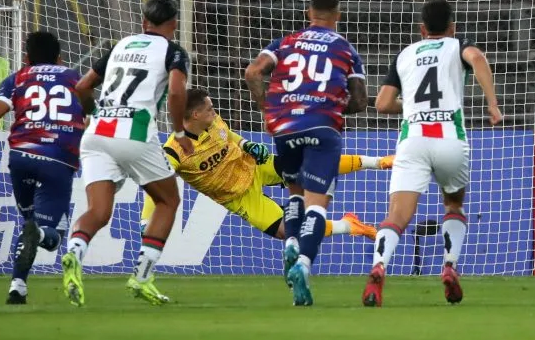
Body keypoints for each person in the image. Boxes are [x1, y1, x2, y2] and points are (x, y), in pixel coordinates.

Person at [362, 0, 502, 307]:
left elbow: (382, 104)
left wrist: (411, 108)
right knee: (453, 204)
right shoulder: (456, 46)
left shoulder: (405, 54)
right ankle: (450, 265)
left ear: (422, 29)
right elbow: (477, 57)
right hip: (450, 139)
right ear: (452, 27)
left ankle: (379, 266)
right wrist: (491, 103)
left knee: (397, 215)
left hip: (413, 140)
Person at [63, 0, 192, 307]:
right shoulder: (173, 52)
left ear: (143, 21)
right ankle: (142, 276)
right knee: (168, 200)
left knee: (98, 211)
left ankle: (74, 253)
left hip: (97, 133)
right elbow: (176, 91)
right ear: (174, 23)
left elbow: (82, 86)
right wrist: (178, 132)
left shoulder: (120, 46)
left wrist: (94, 113)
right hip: (134, 132)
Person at [139, 87, 390, 243]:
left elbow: (231, 137)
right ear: (195, 116)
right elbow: (157, 184)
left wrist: (247, 144)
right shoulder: (174, 150)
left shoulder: (213, 122)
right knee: (288, 232)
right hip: (238, 196)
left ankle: (379, 162)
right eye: (210, 110)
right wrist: (146, 220)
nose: (215, 113)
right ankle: (349, 225)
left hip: (254, 165)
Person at [244, 0, 367, 306]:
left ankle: (290, 246)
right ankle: (303, 265)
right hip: (322, 127)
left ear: (308, 14)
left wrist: (266, 110)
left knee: (294, 194)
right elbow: (360, 101)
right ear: (338, 15)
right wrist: (335, 105)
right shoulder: (346, 49)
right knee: (316, 205)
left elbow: (253, 72)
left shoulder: (284, 42)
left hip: (284, 128)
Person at [0, 31, 86, 304]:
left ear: (26, 57)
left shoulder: (17, 78)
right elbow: (89, 117)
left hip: (20, 158)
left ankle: (17, 286)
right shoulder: (73, 78)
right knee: (50, 234)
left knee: (29, 223)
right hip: (58, 159)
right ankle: (41, 234)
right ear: (60, 57)